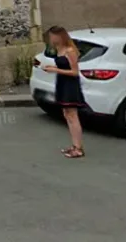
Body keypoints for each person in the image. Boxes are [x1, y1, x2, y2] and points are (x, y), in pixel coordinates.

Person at [41, 26, 85, 159]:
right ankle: (74, 145)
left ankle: (78, 148)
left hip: (70, 85)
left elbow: (75, 72)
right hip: (62, 83)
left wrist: (56, 70)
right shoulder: (59, 50)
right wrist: (52, 68)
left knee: (72, 115)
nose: (51, 39)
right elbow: (63, 67)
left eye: (53, 36)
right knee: (67, 114)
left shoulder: (70, 51)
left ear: (60, 36)